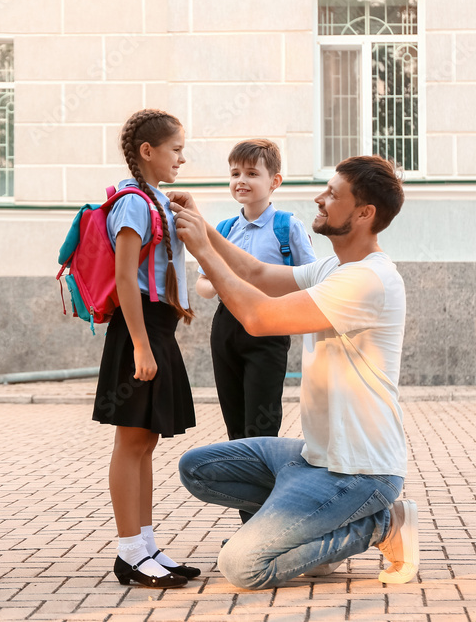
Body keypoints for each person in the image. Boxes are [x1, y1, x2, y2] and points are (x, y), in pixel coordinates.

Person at [169, 155, 418, 590]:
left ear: (364, 213)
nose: (319, 200)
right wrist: (201, 224)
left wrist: (203, 250)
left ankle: (382, 524)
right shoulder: (333, 269)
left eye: (333, 195)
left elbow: (261, 318)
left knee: (241, 566)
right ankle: (318, 530)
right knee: (199, 468)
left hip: (360, 471)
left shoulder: (367, 280)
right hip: (314, 457)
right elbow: (256, 271)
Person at [91, 109, 201, 589]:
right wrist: (139, 344)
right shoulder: (133, 203)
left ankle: (148, 545)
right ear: (148, 152)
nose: (182, 157)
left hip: (158, 326)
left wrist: (183, 205)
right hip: (138, 329)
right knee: (131, 441)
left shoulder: (155, 199)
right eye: (176, 149)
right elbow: (124, 276)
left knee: (146, 441)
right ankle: (129, 552)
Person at [197, 139, 315, 443]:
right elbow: (203, 285)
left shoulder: (287, 226)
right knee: (233, 415)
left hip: (270, 326)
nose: (241, 181)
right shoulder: (222, 229)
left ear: (274, 181)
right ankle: (240, 485)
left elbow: (310, 278)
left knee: (262, 416)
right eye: (235, 174)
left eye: (251, 173)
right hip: (226, 325)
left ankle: (263, 481)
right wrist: (219, 281)